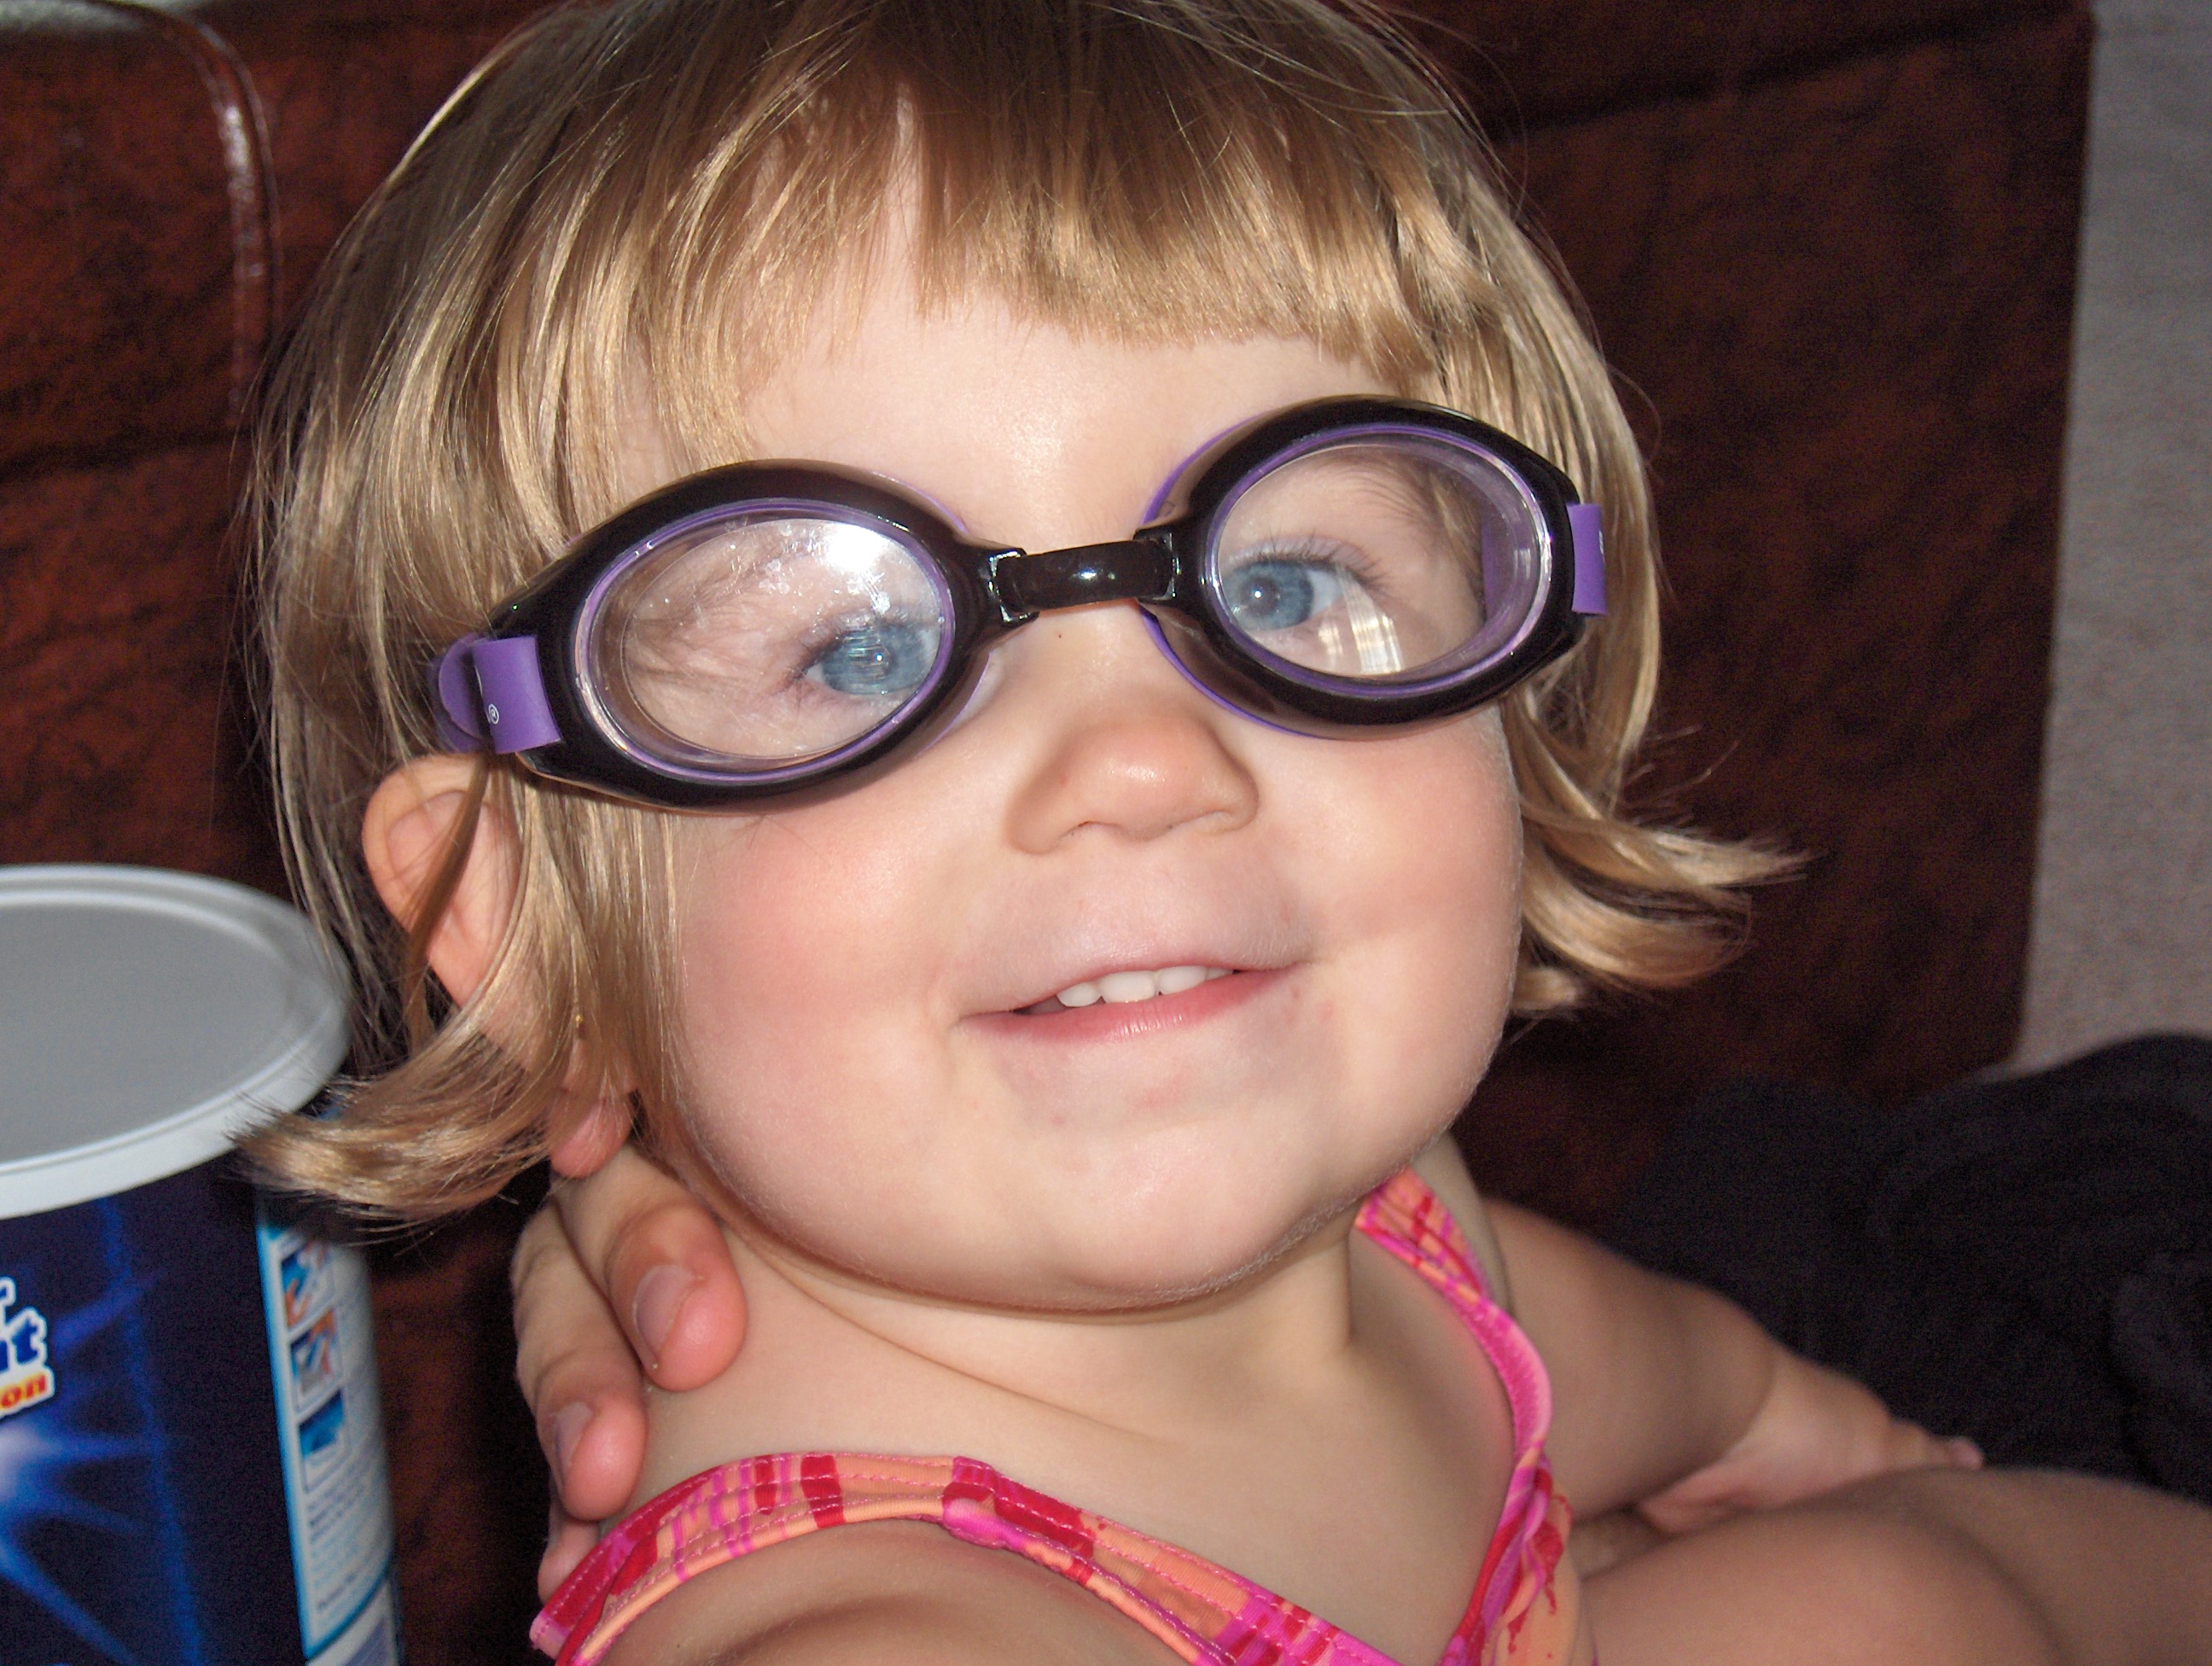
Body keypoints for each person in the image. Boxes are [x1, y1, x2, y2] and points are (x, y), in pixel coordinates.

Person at [251, 0, 2212, 1660]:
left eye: (1282, 582)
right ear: (513, 918)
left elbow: (1548, 1332)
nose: (1144, 758)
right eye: (859, 649)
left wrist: (1797, 1416)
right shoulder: (877, 1627)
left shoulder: (1380, 1205)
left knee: (1890, 1585)